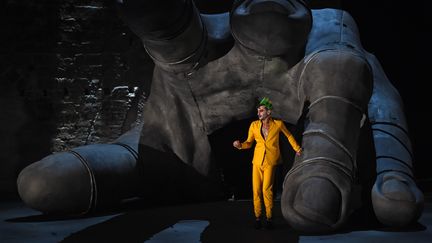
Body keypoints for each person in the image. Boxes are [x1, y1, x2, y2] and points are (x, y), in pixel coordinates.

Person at [233, 97, 302, 229]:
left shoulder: (278, 124)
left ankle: (269, 218)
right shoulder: (254, 125)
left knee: (267, 190)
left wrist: (297, 148)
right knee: (256, 191)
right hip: (257, 162)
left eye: (261, 110)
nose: (259, 113)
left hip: (270, 161)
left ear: (268, 112)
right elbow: (249, 143)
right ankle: (258, 218)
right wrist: (240, 145)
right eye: (258, 111)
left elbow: (288, 135)